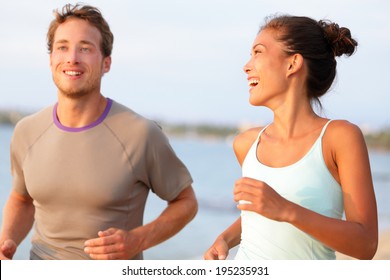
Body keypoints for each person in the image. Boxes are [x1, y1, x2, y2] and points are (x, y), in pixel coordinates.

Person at [0, 3, 197, 260]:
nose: (72, 58)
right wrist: (7, 241)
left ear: (106, 63)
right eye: (62, 47)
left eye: (85, 48)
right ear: (51, 61)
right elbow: (22, 199)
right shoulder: (27, 130)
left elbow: (186, 202)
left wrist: (138, 240)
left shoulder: (140, 133)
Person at [204, 15, 378, 260]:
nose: (246, 65)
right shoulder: (246, 144)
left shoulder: (339, 137)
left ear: (292, 63)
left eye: (258, 52)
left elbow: (366, 244)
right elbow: (261, 214)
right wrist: (225, 238)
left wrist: (286, 209)